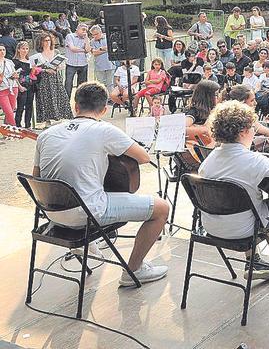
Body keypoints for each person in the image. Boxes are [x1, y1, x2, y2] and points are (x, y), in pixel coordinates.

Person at [32, 82, 169, 285]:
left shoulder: (46, 134)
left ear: (75, 106)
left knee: (88, 187)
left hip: (51, 213)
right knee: (161, 208)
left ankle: (88, 245)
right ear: (104, 110)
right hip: (85, 214)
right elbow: (143, 157)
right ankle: (135, 270)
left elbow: (36, 177)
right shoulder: (103, 130)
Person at [198, 100, 269, 278]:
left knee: (244, 204)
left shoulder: (210, 159)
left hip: (212, 226)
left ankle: (253, 261)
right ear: (243, 132)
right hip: (244, 230)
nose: (254, 132)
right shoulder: (252, 160)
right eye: (253, 128)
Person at [31, 33, 73, 125]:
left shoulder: (56, 52)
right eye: (45, 40)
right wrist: (45, 70)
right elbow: (34, 69)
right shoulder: (38, 55)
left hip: (55, 77)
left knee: (60, 96)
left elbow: (63, 65)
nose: (47, 42)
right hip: (43, 79)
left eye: (49, 40)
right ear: (41, 42)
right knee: (45, 98)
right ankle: (47, 120)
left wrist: (58, 67)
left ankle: (61, 117)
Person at [184, 80, 221, 145]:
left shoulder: (214, 110)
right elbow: (183, 128)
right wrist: (203, 130)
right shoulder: (194, 111)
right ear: (207, 97)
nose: (218, 97)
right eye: (216, 95)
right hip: (201, 146)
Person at [63, 24, 91, 97]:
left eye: (86, 30)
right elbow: (73, 49)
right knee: (68, 84)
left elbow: (88, 50)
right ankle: (66, 101)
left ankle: (80, 101)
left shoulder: (86, 38)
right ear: (77, 29)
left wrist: (86, 39)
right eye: (83, 29)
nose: (85, 31)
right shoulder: (70, 36)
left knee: (82, 85)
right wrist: (83, 50)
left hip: (83, 64)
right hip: (71, 64)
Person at [13, 41, 34, 128]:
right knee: (20, 106)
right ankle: (18, 125)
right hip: (21, 86)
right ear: (18, 50)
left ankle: (28, 125)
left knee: (29, 106)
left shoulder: (30, 61)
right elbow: (14, 76)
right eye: (23, 49)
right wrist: (19, 86)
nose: (25, 50)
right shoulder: (15, 62)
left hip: (30, 86)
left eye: (26, 49)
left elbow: (33, 74)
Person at [0, 45, 17, 125]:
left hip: (13, 87)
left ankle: (7, 128)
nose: (2, 52)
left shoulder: (9, 62)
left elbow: (15, 73)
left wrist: (15, 75)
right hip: (1, 89)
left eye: (4, 50)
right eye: (0, 50)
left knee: (11, 111)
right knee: (9, 112)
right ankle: (14, 128)